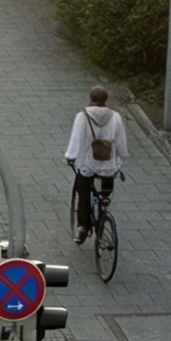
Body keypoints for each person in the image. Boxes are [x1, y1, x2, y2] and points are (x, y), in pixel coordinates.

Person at [66, 85, 128, 243]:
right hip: (108, 165)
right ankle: (104, 208)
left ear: (91, 98)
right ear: (106, 99)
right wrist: (121, 158)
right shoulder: (115, 117)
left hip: (88, 164)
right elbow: (121, 143)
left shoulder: (83, 116)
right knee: (105, 191)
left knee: (83, 192)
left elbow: (76, 139)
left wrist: (70, 157)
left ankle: (83, 228)